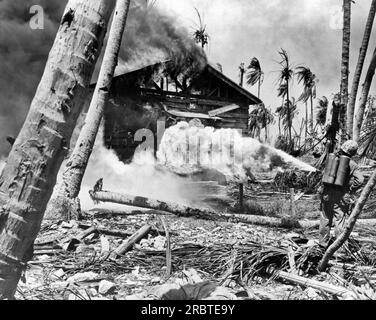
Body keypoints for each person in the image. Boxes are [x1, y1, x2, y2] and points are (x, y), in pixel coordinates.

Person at [319, 140, 364, 249]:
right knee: (340, 221)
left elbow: (324, 175)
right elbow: (361, 180)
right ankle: (339, 248)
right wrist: (350, 189)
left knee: (325, 219)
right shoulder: (352, 164)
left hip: (326, 193)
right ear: (353, 152)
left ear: (342, 148)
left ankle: (322, 245)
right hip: (341, 195)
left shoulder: (332, 159)